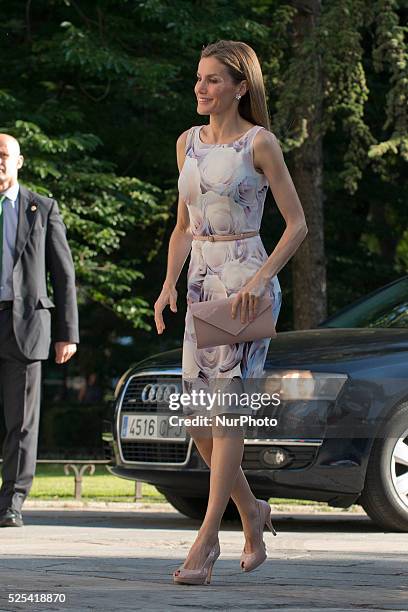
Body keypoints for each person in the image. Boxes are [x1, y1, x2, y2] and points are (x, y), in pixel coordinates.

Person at [154, 40, 308, 585]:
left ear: (240, 86)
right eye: (198, 78)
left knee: (226, 415)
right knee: (198, 420)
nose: (201, 87)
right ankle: (253, 512)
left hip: (245, 283)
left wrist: (263, 279)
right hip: (199, 282)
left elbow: (297, 225)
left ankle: (206, 540)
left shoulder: (259, 144)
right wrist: (168, 284)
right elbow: (181, 226)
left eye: (213, 79)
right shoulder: (186, 144)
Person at [0, 134, 79, 527]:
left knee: (22, 421)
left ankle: (11, 502)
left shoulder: (42, 208)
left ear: (19, 161)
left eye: (3, 156)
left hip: (27, 325)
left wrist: (69, 332)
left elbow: (63, 273)